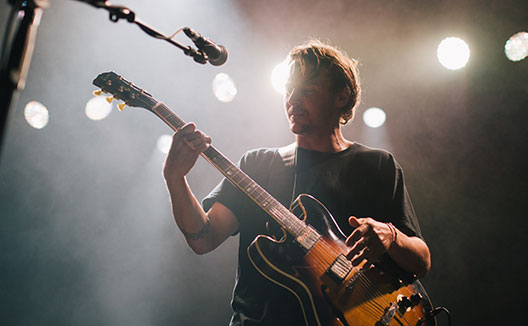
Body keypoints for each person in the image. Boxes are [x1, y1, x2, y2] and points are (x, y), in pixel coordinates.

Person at [163, 40, 431, 326]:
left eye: (307, 90)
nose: (292, 99)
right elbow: (203, 239)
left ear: (341, 96)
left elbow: (421, 261)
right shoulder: (257, 164)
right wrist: (175, 179)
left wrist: (391, 236)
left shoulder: (378, 165)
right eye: (289, 90)